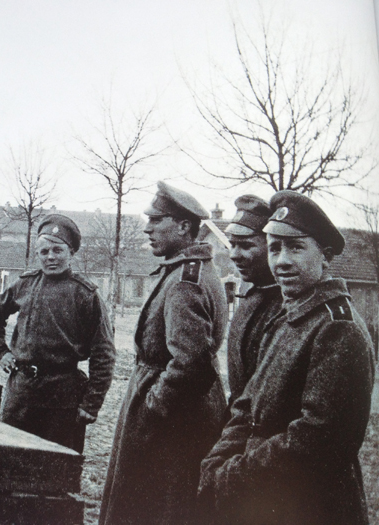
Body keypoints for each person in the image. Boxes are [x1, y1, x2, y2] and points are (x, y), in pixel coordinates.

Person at [199, 191, 375, 525]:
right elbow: (246, 404)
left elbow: (317, 441)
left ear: (324, 256)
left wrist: (231, 474)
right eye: (276, 248)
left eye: (296, 247)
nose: (281, 261)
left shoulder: (338, 328)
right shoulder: (290, 314)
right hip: (265, 495)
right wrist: (216, 461)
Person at [99, 181, 228, 525]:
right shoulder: (185, 270)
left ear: (185, 226)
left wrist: (153, 405)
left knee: (158, 507)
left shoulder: (186, 280)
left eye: (157, 220)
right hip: (175, 412)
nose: (147, 228)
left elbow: (190, 363)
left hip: (171, 423)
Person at [0, 214, 116, 453]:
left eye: (57, 250)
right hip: (21, 392)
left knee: (54, 466)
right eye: (44, 252)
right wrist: (0, 351)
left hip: (62, 397)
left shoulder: (86, 294)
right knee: (9, 456)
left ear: (71, 253)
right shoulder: (24, 284)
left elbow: (104, 352)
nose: (51, 257)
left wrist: (91, 403)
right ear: (37, 254)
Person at [224, 195, 282, 409]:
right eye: (232, 245)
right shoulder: (251, 293)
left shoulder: (287, 304)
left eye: (246, 246)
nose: (234, 255)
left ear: (273, 247)